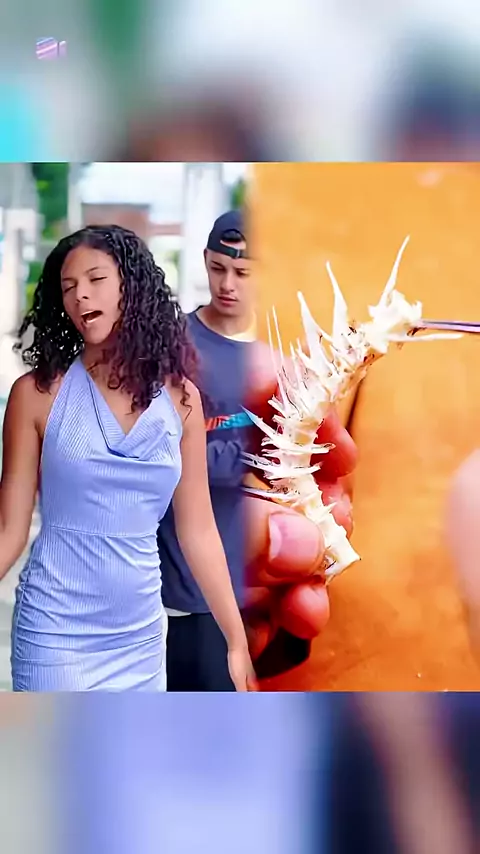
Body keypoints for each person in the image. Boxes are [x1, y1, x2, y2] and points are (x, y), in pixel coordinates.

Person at [0, 224, 255, 692]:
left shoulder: (183, 402)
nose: (80, 295)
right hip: (55, 634)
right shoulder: (36, 395)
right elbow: (8, 532)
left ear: (130, 287)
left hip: (139, 640)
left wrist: (236, 641)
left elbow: (198, 532)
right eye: (68, 287)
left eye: (95, 279)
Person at [157, 209, 257, 691]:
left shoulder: (283, 344)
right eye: (219, 268)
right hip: (192, 591)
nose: (227, 284)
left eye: (243, 273)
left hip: (265, 587)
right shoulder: (174, 344)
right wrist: (253, 459)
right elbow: (166, 455)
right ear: (204, 261)